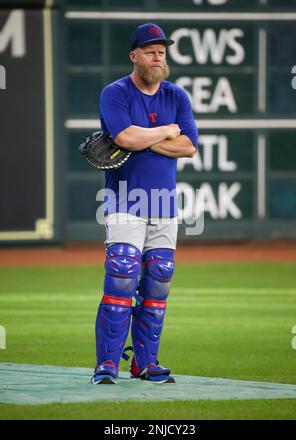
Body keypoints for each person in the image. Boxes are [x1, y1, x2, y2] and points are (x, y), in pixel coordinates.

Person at [92, 23, 198, 384]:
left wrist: (145, 138)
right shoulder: (115, 93)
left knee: (158, 280)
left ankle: (145, 363)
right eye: (151, 51)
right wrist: (167, 131)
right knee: (121, 276)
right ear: (134, 55)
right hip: (124, 200)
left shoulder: (177, 96)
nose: (158, 57)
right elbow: (124, 136)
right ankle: (107, 365)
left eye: (162, 52)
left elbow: (188, 147)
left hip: (164, 204)